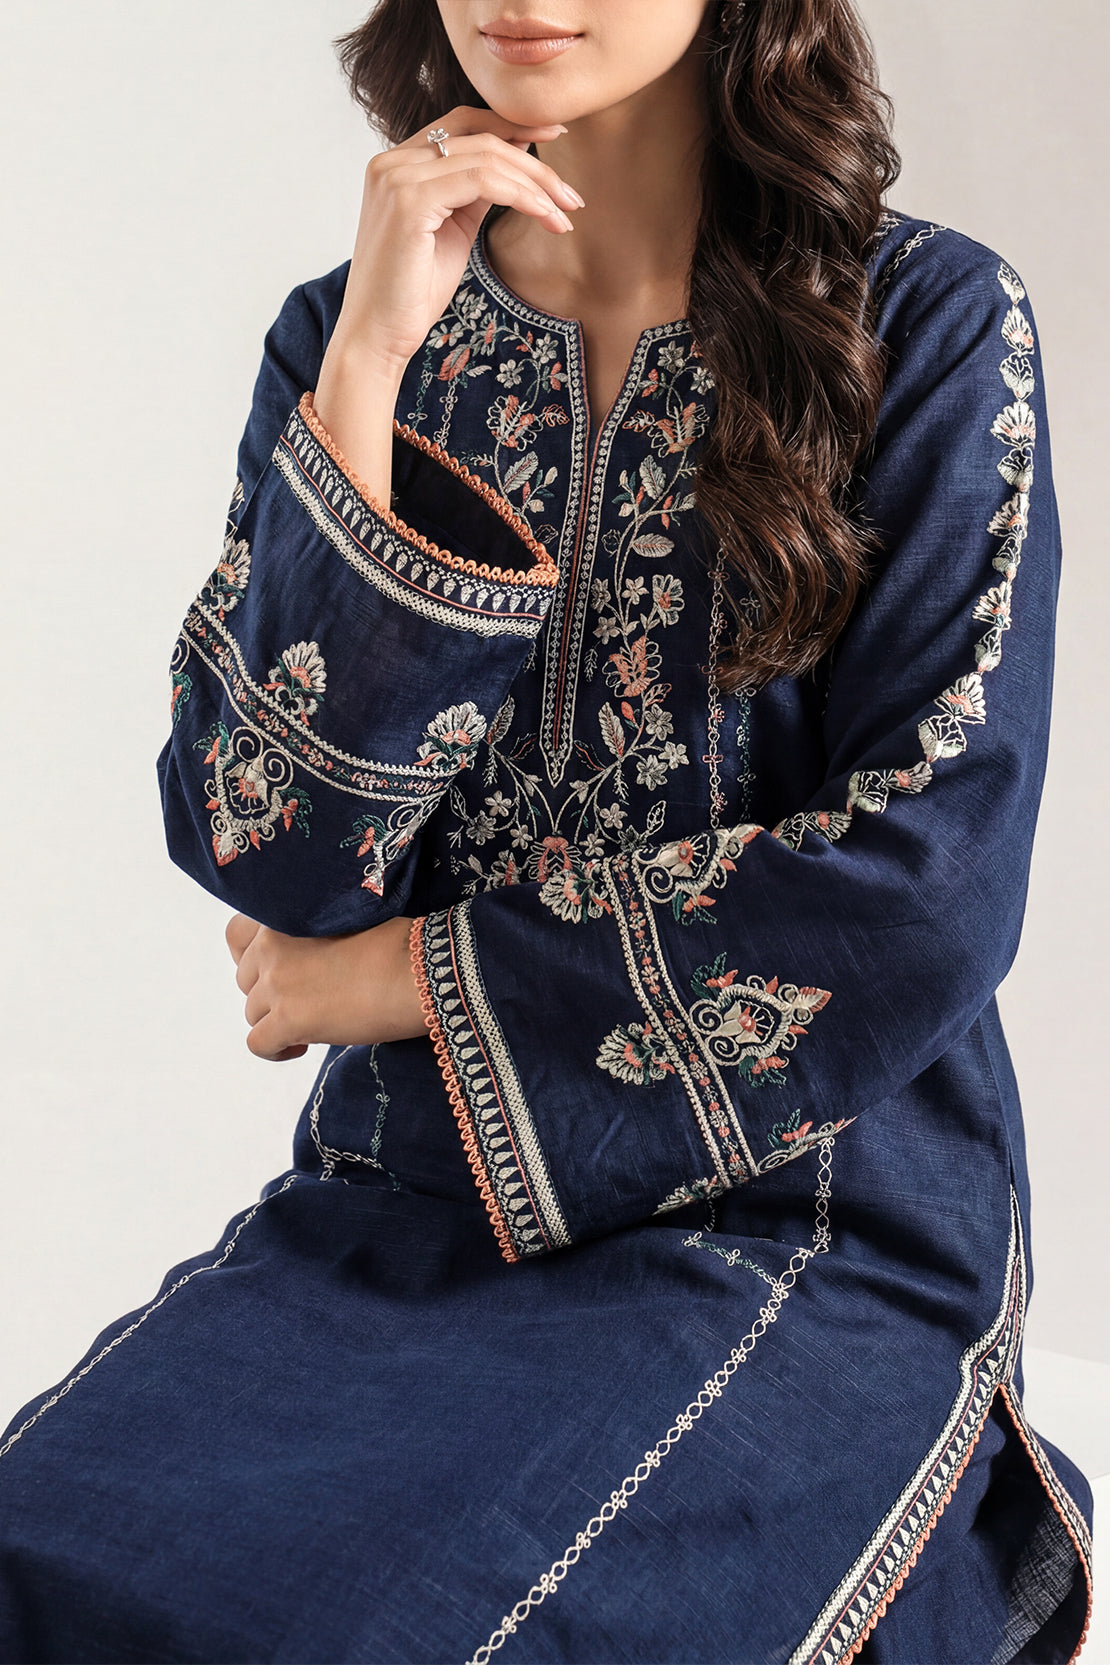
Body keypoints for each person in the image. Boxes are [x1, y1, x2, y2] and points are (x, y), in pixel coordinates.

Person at [0, 1, 1093, 1659]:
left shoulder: (918, 323)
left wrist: (405, 976)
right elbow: (266, 846)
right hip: (408, 1194)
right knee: (50, 1562)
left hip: (800, 1221)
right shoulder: (346, 338)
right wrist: (370, 365)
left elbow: (926, 881)